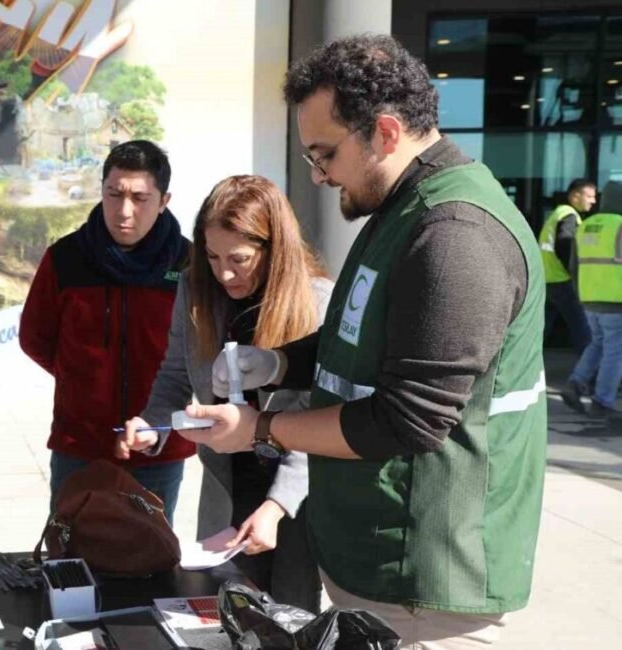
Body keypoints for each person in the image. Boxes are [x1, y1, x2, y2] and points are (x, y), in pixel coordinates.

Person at [176, 35, 546, 648]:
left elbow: (408, 420)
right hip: (380, 560)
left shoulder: (456, 236)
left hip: (425, 579)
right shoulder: (401, 212)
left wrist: (260, 430)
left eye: (325, 154)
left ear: (387, 131)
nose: (318, 175)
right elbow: (356, 342)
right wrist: (277, 364)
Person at [119, 175, 332, 611]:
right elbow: (176, 372)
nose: (224, 273)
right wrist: (153, 423)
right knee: (219, 618)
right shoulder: (196, 288)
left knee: (292, 621)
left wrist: (276, 507)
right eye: (212, 256)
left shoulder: (318, 301)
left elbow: (322, 420)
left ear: (275, 250)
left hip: (298, 500)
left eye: (239, 258)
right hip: (226, 491)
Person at [19, 140, 194, 523]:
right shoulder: (66, 258)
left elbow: (200, 348)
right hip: (79, 445)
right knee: (71, 561)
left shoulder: (188, 263)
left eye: (140, 198)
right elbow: (35, 337)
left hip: (157, 448)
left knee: (150, 562)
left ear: (164, 200)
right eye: (113, 194)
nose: (124, 211)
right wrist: (82, 379)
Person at [560, 181, 622, 420]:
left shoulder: (585, 226)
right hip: (616, 300)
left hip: (589, 298)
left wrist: (580, 293)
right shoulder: (620, 226)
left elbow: (574, 266)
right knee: (615, 352)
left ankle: (575, 385)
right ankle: (603, 402)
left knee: (596, 344)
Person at [540, 178, 596, 351]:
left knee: (541, 329)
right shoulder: (568, 215)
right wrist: (574, 273)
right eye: (589, 196)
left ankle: (519, 365)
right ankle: (590, 372)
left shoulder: (557, 213)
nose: (593, 201)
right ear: (574, 196)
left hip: (547, 279)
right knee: (582, 329)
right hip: (561, 279)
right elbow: (564, 245)